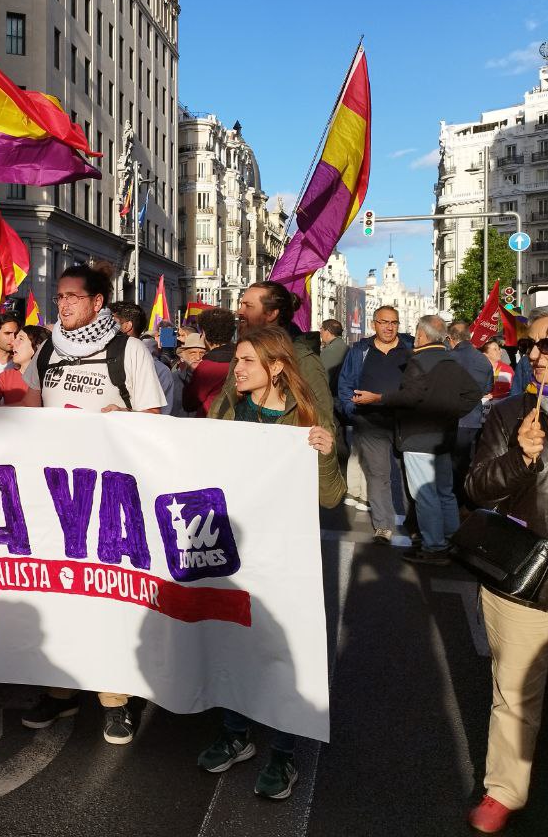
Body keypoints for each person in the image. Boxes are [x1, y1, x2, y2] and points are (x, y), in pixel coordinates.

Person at [0, 261, 164, 744]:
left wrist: (128, 420)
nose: (63, 304)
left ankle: (115, 698)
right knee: (59, 592)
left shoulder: (128, 349)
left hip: (111, 495)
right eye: (59, 296)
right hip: (55, 494)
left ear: (97, 302)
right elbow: (31, 404)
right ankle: (59, 691)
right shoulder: (51, 348)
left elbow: (157, 419)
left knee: (107, 596)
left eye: (72, 297)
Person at [464, 306, 548, 836]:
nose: (533, 355)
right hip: (521, 576)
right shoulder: (510, 411)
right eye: (530, 347)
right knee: (514, 694)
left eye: (546, 346)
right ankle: (504, 791)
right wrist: (518, 457)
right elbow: (475, 488)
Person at [198, 325, 341, 801]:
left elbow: (331, 495)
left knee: (282, 650)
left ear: (276, 368)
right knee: (234, 641)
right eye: (236, 361)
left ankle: (283, 750)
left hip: (284, 556)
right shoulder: (230, 406)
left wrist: (324, 454)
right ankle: (236, 732)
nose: (234, 370)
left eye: (245, 362)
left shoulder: (305, 417)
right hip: (234, 551)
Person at [352, 315, 481, 564]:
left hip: (418, 437)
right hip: (442, 437)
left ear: (421, 335)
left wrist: (377, 398)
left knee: (425, 494)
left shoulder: (419, 361)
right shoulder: (450, 360)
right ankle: (451, 538)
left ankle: (434, 546)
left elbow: (409, 397)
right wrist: (449, 414)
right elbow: (473, 393)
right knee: (444, 491)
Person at [336, 306, 413, 542]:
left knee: (409, 475)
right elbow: (345, 385)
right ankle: (383, 526)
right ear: (374, 324)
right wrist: (354, 411)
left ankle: (415, 525)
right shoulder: (360, 350)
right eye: (384, 322)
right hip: (369, 423)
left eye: (394, 323)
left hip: (405, 423)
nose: (389, 327)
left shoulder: (410, 348)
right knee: (379, 475)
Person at [234, 281, 334, 424]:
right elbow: (224, 407)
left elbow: (323, 420)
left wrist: (323, 443)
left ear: (271, 314)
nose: (240, 312)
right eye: (241, 305)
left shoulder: (302, 359)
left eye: (248, 306)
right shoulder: (241, 352)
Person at [445, 320, 494, 510]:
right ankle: (463, 502)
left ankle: (453, 503)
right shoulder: (483, 360)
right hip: (473, 420)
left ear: (450, 338)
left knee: (448, 466)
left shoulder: (448, 358)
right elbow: (488, 388)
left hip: (451, 419)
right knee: (465, 463)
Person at [182, 308, 237, 417]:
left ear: (204, 333)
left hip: (212, 424)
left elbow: (189, 403)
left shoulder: (207, 367)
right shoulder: (243, 360)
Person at [319, 318, 348, 397]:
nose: (320, 333)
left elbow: (323, 380)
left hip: (333, 398)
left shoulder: (329, 351)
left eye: (321, 329)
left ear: (327, 331)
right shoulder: (346, 347)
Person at [481, 339, 513, 403]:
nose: (499, 351)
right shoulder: (478, 369)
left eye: (498, 349)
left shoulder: (508, 369)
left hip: (502, 405)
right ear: (485, 354)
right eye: (495, 349)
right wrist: (481, 395)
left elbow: (514, 389)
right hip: (483, 406)